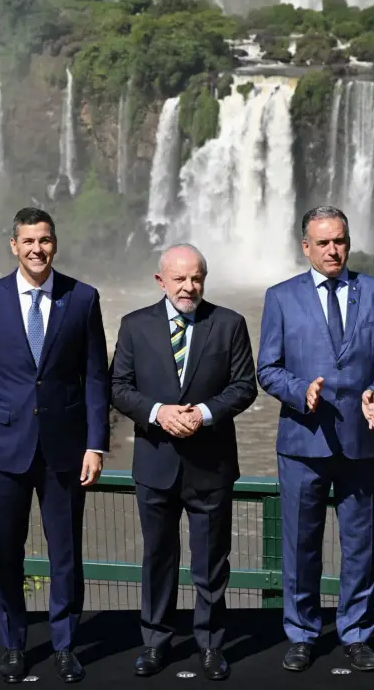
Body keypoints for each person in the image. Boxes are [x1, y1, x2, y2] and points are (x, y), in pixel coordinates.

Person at [257, 206, 374, 673]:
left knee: (361, 544)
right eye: (323, 242)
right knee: (301, 543)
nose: (333, 250)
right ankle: (302, 633)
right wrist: (299, 392)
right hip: (303, 440)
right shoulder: (280, 298)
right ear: (305, 246)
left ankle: (357, 631)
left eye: (340, 240)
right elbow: (268, 368)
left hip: (361, 439)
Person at [0, 207, 110, 684]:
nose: (37, 249)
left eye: (44, 240)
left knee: (66, 553)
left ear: (55, 243)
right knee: (6, 552)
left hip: (66, 448)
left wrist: (97, 444)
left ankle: (65, 645)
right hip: (2, 448)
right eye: (28, 241)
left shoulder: (82, 298)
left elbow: (95, 378)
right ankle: (13, 644)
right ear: (13, 246)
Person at [111, 244, 257, 681]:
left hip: (210, 464)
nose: (188, 287)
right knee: (158, 557)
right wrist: (159, 412)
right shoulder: (134, 326)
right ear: (161, 281)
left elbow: (244, 386)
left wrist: (204, 413)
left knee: (211, 562)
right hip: (155, 463)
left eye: (195, 278)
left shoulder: (229, 324)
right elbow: (118, 386)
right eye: (179, 279)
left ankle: (211, 645)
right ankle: (155, 643)